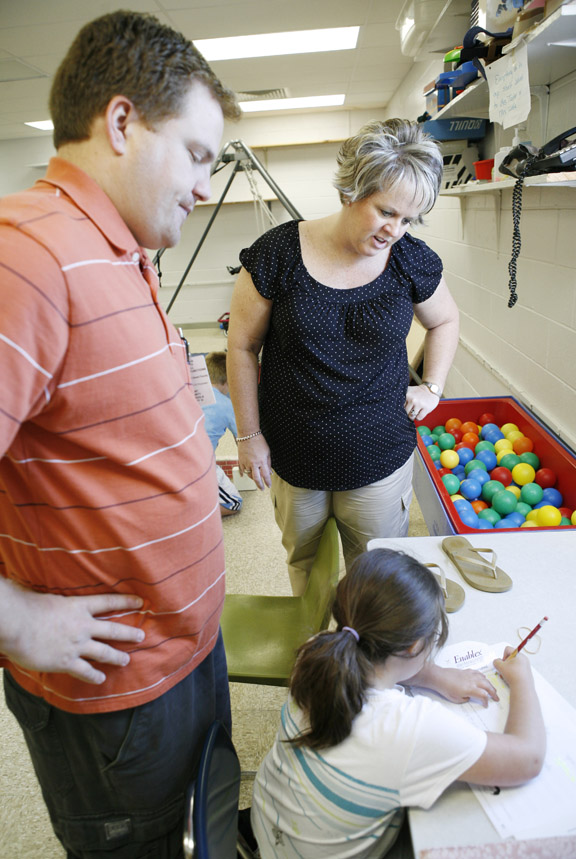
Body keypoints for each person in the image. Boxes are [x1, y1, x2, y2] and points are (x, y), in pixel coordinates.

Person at [0, 11, 239, 858]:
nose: (206, 186)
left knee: (198, 825)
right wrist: (17, 622)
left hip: (186, 651)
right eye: (200, 156)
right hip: (115, 693)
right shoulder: (28, 254)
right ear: (122, 121)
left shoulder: (121, 250)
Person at [227, 119, 460, 595]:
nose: (394, 230)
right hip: (294, 452)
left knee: (378, 576)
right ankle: (320, 657)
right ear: (352, 191)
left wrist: (432, 386)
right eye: (385, 211)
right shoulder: (278, 254)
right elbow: (242, 346)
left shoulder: (409, 259)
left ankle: (370, 664)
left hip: (379, 453)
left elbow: (445, 321)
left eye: (408, 220)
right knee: (307, 566)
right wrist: (249, 436)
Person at [251, 549, 546, 859]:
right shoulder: (407, 727)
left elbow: (379, 663)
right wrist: (523, 678)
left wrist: (436, 676)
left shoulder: (319, 652)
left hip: (272, 828)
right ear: (414, 646)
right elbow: (528, 759)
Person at [202, 351, 243, 516]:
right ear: (228, 381)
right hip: (199, 464)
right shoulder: (226, 405)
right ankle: (191, 515)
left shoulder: (187, 392)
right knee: (234, 503)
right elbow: (243, 438)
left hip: (168, 460)